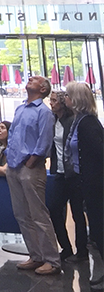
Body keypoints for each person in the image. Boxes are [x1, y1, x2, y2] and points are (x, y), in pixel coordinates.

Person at [6, 74, 61, 275]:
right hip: (13, 166)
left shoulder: (44, 112)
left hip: (30, 167)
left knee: (38, 214)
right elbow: (13, 136)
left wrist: (31, 161)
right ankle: (36, 255)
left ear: (43, 89)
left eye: (36, 79)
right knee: (22, 214)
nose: (30, 78)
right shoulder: (20, 109)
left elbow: (45, 140)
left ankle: (52, 260)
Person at [64, 81, 104, 288]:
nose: (65, 99)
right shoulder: (80, 121)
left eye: (68, 96)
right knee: (96, 227)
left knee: (99, 228)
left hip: (95, 183)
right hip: (87, 181)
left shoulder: (87, 124)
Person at [48, 89, 88, 263]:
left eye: (54, 100)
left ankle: (81, 251)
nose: (51, 103)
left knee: (77, 213)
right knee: (54, 209)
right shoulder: (54, 121)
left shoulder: (71, 121)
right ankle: (66, 247)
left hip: (73, 174)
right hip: (60, 173)